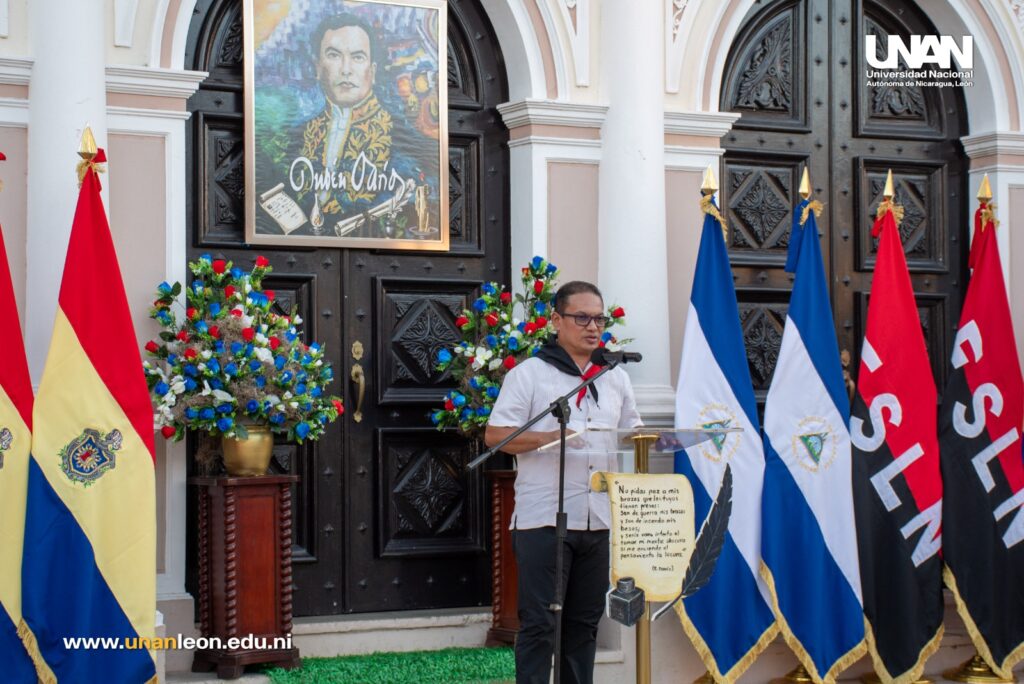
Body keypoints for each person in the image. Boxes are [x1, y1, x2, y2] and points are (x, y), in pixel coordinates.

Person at [485, 281, 641, 684]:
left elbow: (633, 435)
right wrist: (547, 438)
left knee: (583, 626)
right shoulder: (530, 374)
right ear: (556, 320)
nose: (593, 327)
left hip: (599, 519)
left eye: (599, 318)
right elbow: (496, 435)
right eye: (582, 318)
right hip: (544, 520)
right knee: (539, 625)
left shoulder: (615, 377)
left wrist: (648, 442)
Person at [295, 14, 394, 219]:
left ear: (373, 71)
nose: (346, 70)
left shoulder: (397, 134)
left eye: (358, 57)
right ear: (318, 69)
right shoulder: (300, 134)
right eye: (333, 55)